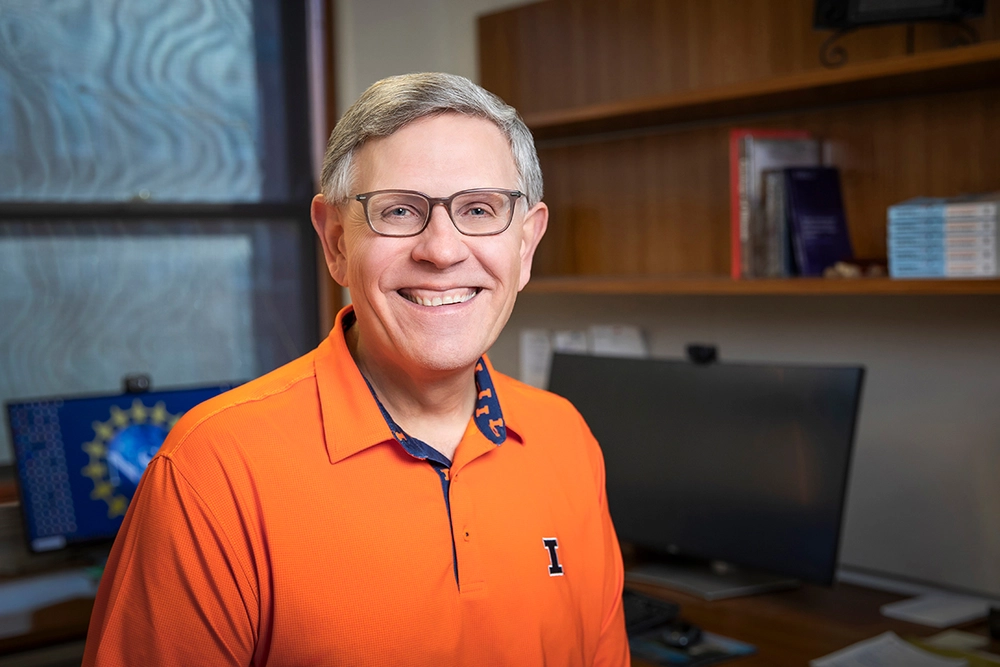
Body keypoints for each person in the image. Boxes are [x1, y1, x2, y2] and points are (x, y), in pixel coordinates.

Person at [83, 72, 629, 666]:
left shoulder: (566, 437)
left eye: (479, 209)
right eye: (398, 211)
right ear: (336, 241)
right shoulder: (210, 470)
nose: (442, 251)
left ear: (525, 245)